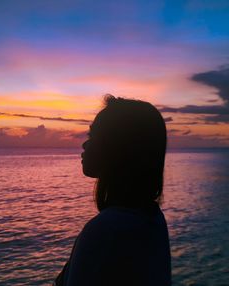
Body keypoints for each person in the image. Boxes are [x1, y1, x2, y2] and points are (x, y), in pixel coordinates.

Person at [54, 95, 171, 286]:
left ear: (118, 148)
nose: (85, 144)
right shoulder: (152, 218)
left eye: (93, 136)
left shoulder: (106, 229)